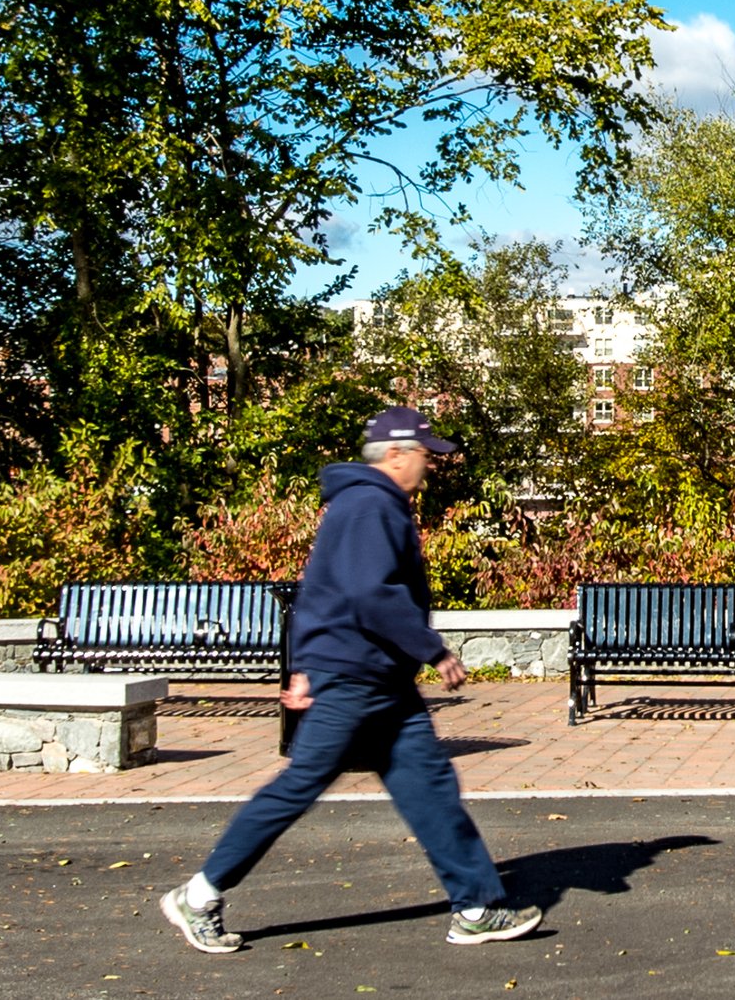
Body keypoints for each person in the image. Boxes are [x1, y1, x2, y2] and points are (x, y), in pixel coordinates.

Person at [161, 407, 542, 952]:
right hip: (355, 679)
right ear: (396, 454)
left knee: (431, 788)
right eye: (424, 455)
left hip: (377, 680)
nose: (428, 467)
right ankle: (198, 896)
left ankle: (476, 907)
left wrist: (304, 665)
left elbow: (320, 590)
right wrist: (433, 651)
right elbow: (369, 595)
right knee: (298, 786)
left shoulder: (367, 503)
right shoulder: (369, 505)